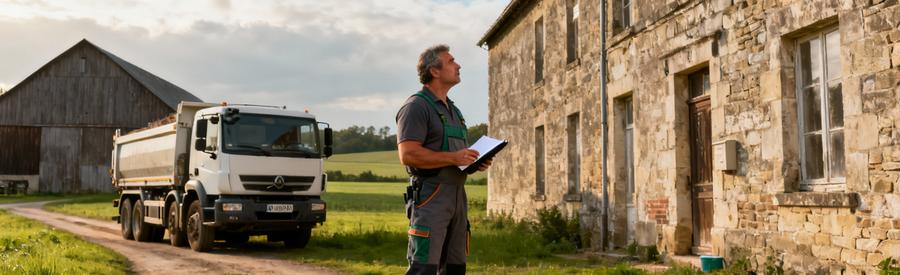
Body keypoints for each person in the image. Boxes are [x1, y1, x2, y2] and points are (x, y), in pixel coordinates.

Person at [396, 44, 492, 275]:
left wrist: (472, 162)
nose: (458, 65)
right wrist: (453, 157)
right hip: (431, 196)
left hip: (458, 196)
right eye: (451, 61)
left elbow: (454, 159)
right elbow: (408, 154)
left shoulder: (454, 111)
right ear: (434, 71)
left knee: (455, 268)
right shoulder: (416, 107)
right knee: (424, 268)